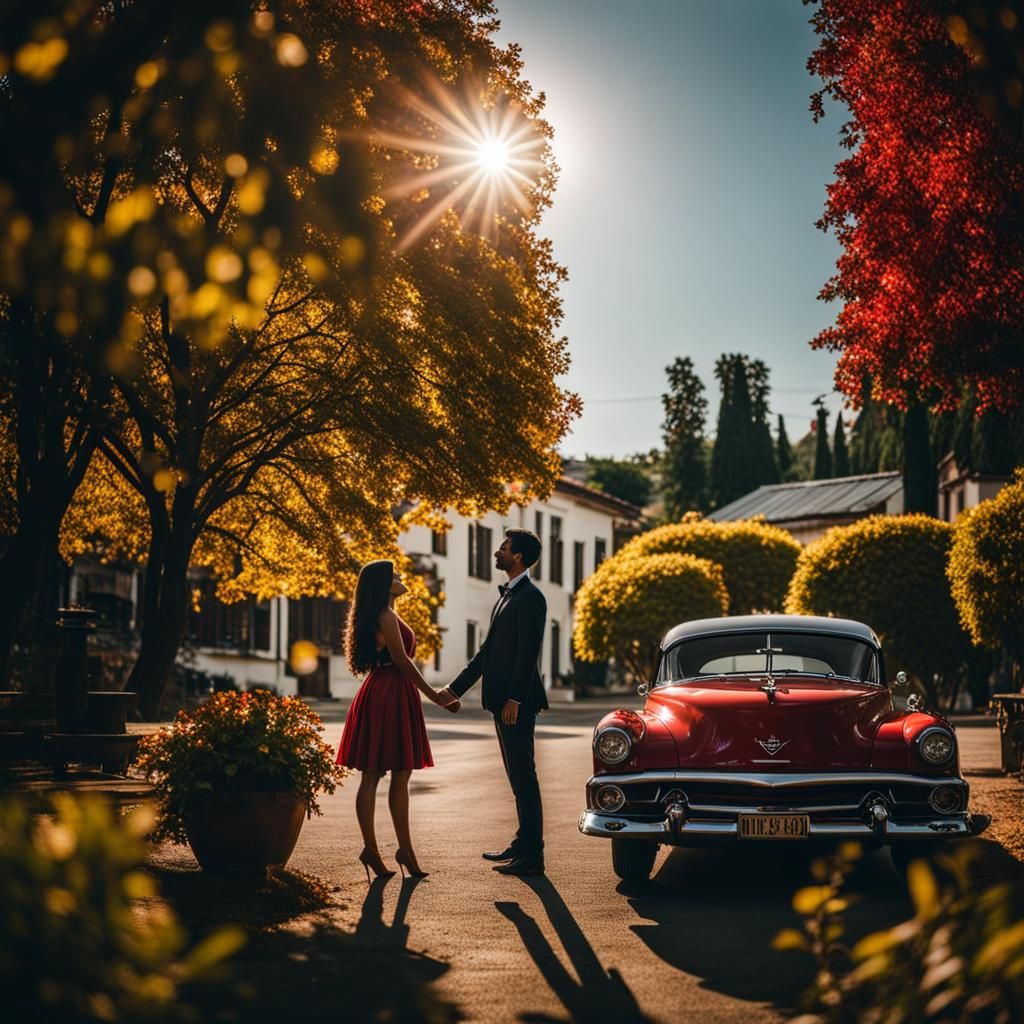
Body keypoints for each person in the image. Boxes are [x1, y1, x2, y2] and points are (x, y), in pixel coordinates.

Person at [338, 559, 459, 881]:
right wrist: (434, 695)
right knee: (386, 774)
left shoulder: (383, 613)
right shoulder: (385, 615)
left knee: (379, 774)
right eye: (394, 575)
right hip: (389, 692)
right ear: (384, 584)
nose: (401, 576)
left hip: (385, 691)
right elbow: (402, 661)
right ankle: (393, 850)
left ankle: (385, 850)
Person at [438, 528, 548, 876]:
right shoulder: (508, 596)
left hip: (516, 703)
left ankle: (533, 856)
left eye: (503, 548)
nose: (497, 552)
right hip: (501, 702)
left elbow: (528, 653)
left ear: (518, 556)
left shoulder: (531, 597)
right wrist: (454, 690)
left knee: (524, 778)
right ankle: (522, 844)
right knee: (517, 778)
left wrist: (515, 698)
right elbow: (488, 653)